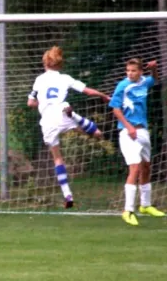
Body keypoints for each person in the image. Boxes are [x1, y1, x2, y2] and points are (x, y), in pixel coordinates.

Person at [27, 46, 111, 209]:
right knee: (97, 134)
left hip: (47, 122)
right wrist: (103, 96)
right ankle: (74, 116)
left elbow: (30, 102)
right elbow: (87, 91)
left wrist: (42, 104)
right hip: (62, 113)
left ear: (45, 63)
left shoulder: (39, 80)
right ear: (59, 64)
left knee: (57, 158)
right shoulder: (65, 78)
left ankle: (67, 194)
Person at [109, 58, 165, 226]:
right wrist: (129, 127)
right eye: (128, 70)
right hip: (128, 132)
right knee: (134, 167)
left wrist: (154, 68)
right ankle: (128, 210)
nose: (130, 73)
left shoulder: (144, 82)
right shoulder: (122, 86)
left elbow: (154, 79)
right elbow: (115, 109)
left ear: (140, 71)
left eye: (133, 70)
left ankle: (146, 205)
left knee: (146, 166)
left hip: (142, 130)